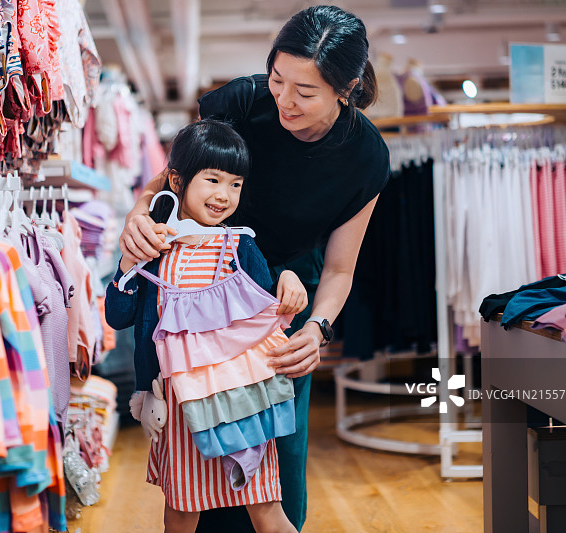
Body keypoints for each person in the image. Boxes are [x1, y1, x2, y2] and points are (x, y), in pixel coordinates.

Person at [119, 6, 390, 531]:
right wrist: (137, 213)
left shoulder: (366, 158)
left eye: (304, 92)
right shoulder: (244, 100)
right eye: (278, 78)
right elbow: (175, 176)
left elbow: (339, 269)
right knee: (201, 450)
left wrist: (318, 329)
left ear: (347, 87)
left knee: (276, 456)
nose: (284, 99)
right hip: (201, 278)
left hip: (283, 296)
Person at [105, 119, 310, 533]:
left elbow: (264, 307)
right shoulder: (155, 246)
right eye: (213, 179)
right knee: (180, 514)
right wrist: (128, 266)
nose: (224, 195)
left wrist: (287, 279)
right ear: (178, 180)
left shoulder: (241, 245)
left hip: (242, 401)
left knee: (267, 510)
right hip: (179, 404)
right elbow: (117, 317)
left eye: (235, 184)